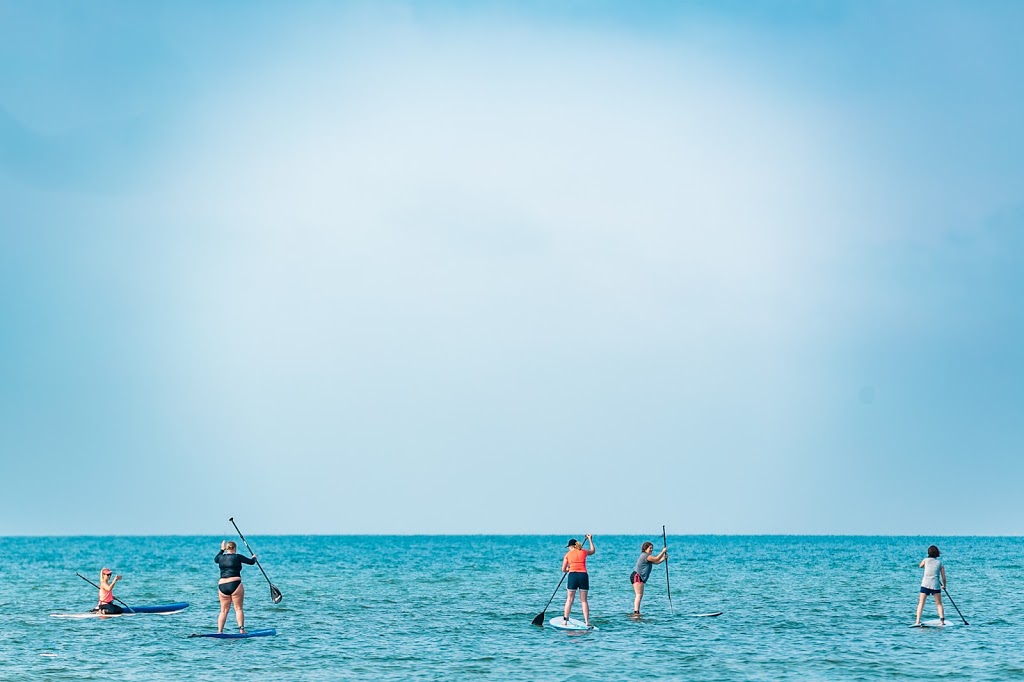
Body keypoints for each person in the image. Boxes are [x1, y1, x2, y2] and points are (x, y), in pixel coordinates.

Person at [215, 540, 257, 634]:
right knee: (238, 608)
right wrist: (254, 558)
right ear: (234, 549)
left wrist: (221, 550)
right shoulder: (238, 556)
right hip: (235, 584)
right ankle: (241, 629)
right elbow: (251, 562)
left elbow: (215, 559)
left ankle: (219, 631)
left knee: (223, 611)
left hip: (222, 585)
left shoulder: (221, 558)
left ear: (226, 549)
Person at [562, 534, 596, 627]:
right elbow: (593, 551)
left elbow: (563, 569)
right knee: (584, 600)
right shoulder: (584, 551)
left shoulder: (567, 555)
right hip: (583, 576)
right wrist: (590, 539)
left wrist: (568, 569)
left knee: (569, 599)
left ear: (571, 546)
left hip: (573, 576)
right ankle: (587, 621)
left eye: (568, 547)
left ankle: (565, 621)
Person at [630, 541, 668, 616]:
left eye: (652, 548)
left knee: (639, 595)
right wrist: (663, 551)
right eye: (650, 548)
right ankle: (636, 612)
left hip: (637, 576)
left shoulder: (648, 557)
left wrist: (664, 558)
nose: (651, 550)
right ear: (645, 549)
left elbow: (656, 562)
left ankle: (636, 611)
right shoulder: (645, 556)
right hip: (637, 576)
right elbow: (656, 558)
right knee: (639, 595)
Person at [914, 544, 946, 626]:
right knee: (939, 604)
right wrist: (944, 586)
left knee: (921, 603)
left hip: (925, 584)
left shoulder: (925, 560)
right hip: (935, 585)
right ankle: (942, 622)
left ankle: (917, 621)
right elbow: (943, 577)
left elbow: (920, 566)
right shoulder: (940, 563)